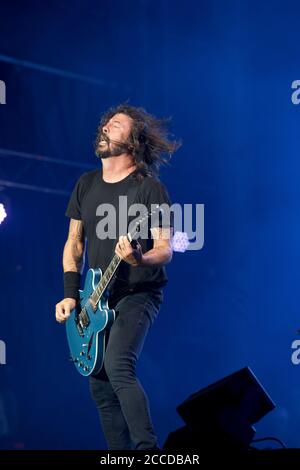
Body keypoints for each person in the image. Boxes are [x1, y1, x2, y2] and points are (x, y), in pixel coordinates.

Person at [55, 104, 180, 450]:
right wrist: (70, 294)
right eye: (105, 124)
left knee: (117, 365)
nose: (106, 127)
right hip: (96, 296)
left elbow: (165, 249)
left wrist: (139, 258)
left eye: (117, 124)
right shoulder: (86, 184)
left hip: (139, 292)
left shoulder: (149, 189)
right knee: (98, 382)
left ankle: (147, 451)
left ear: (134, 141)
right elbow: (74, 244)